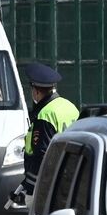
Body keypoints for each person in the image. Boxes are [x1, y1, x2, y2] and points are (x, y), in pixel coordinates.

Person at [20, 63, 78, 194]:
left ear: (36, 91)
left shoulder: (45, 115)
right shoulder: (70, 106)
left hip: (49, 184)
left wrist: (30, 187)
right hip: (72, 175)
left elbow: (42, 155)